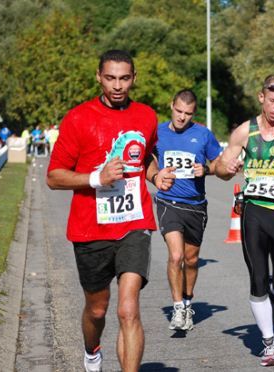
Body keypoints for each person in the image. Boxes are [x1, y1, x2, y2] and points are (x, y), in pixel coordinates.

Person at [46, 49, 175, 372]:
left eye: (124, 78)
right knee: (98, 310)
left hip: (134, 223)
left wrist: (155, 175)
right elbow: (53, 176)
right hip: (90, 227)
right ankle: (92, 351)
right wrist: (96, 177)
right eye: (110, 78)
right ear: (98, 77)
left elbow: (143, 156)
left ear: (134, 78)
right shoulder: (78, 118)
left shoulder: (145, 116)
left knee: (128, 309)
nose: (118, 86)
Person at [216, 74, 274, 366]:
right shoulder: (245, 132)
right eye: (272, 101)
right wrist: (226, 168)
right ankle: (269, 345)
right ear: (261, 98)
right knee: (257, 277)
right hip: (254, 211)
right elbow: (221, 168)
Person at [153, 89, 223, 331]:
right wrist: (155, 175)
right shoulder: (158, 132)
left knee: (191, 260)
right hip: (167, 202)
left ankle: (188, 300)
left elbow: (218, 164)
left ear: (194, 114)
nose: (182, 117)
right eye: (179, 111)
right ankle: (178, 308)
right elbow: (147, 159)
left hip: (195, 206)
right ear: (171, 105)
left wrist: (206, 169)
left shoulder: (203, 135)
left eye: (188, 114)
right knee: (176, 256)